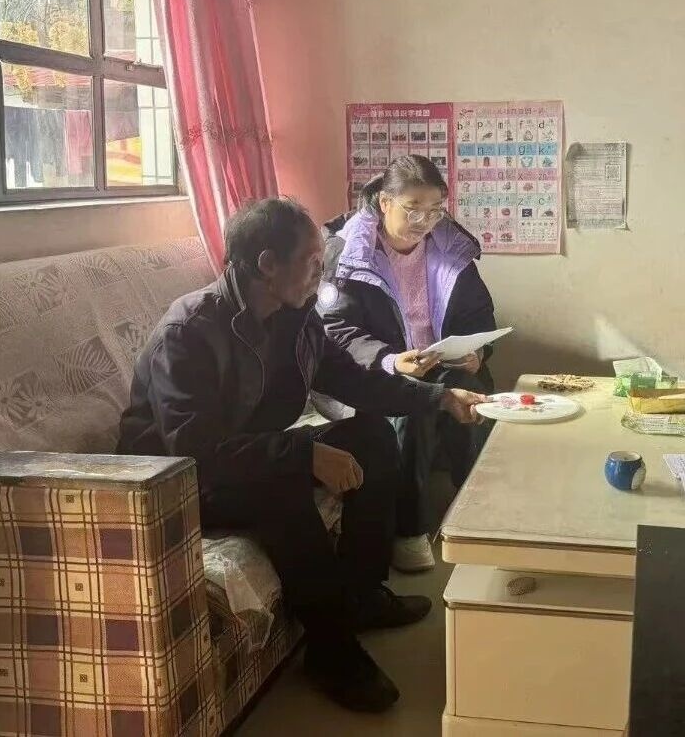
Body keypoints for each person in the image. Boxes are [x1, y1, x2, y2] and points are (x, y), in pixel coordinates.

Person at [116, 197, 487, 713]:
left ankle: (361, 595)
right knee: (281, 484)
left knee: (373, 436)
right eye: (312, 261)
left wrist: (440, 398)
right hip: (178, 483)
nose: (322, 271)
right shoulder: (190, 331)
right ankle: (330, 650)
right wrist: (302, 452)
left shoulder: (296, 318)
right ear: (267, 264)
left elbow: (357, 382)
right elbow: (194, 449)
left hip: (250, 454)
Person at [319, 155, 496, 573]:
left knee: (473, 391)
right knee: (413, 406)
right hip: (377, 373)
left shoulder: (450, 247)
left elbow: (479, 315)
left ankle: (474, 505)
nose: (425, 221)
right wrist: (389, 360)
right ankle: (410, 529)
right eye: (413, 209)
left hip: (441, 359)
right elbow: (336, 330)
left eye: (434, 210)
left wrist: (479, 352)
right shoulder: (350, 253)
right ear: (385, 202)